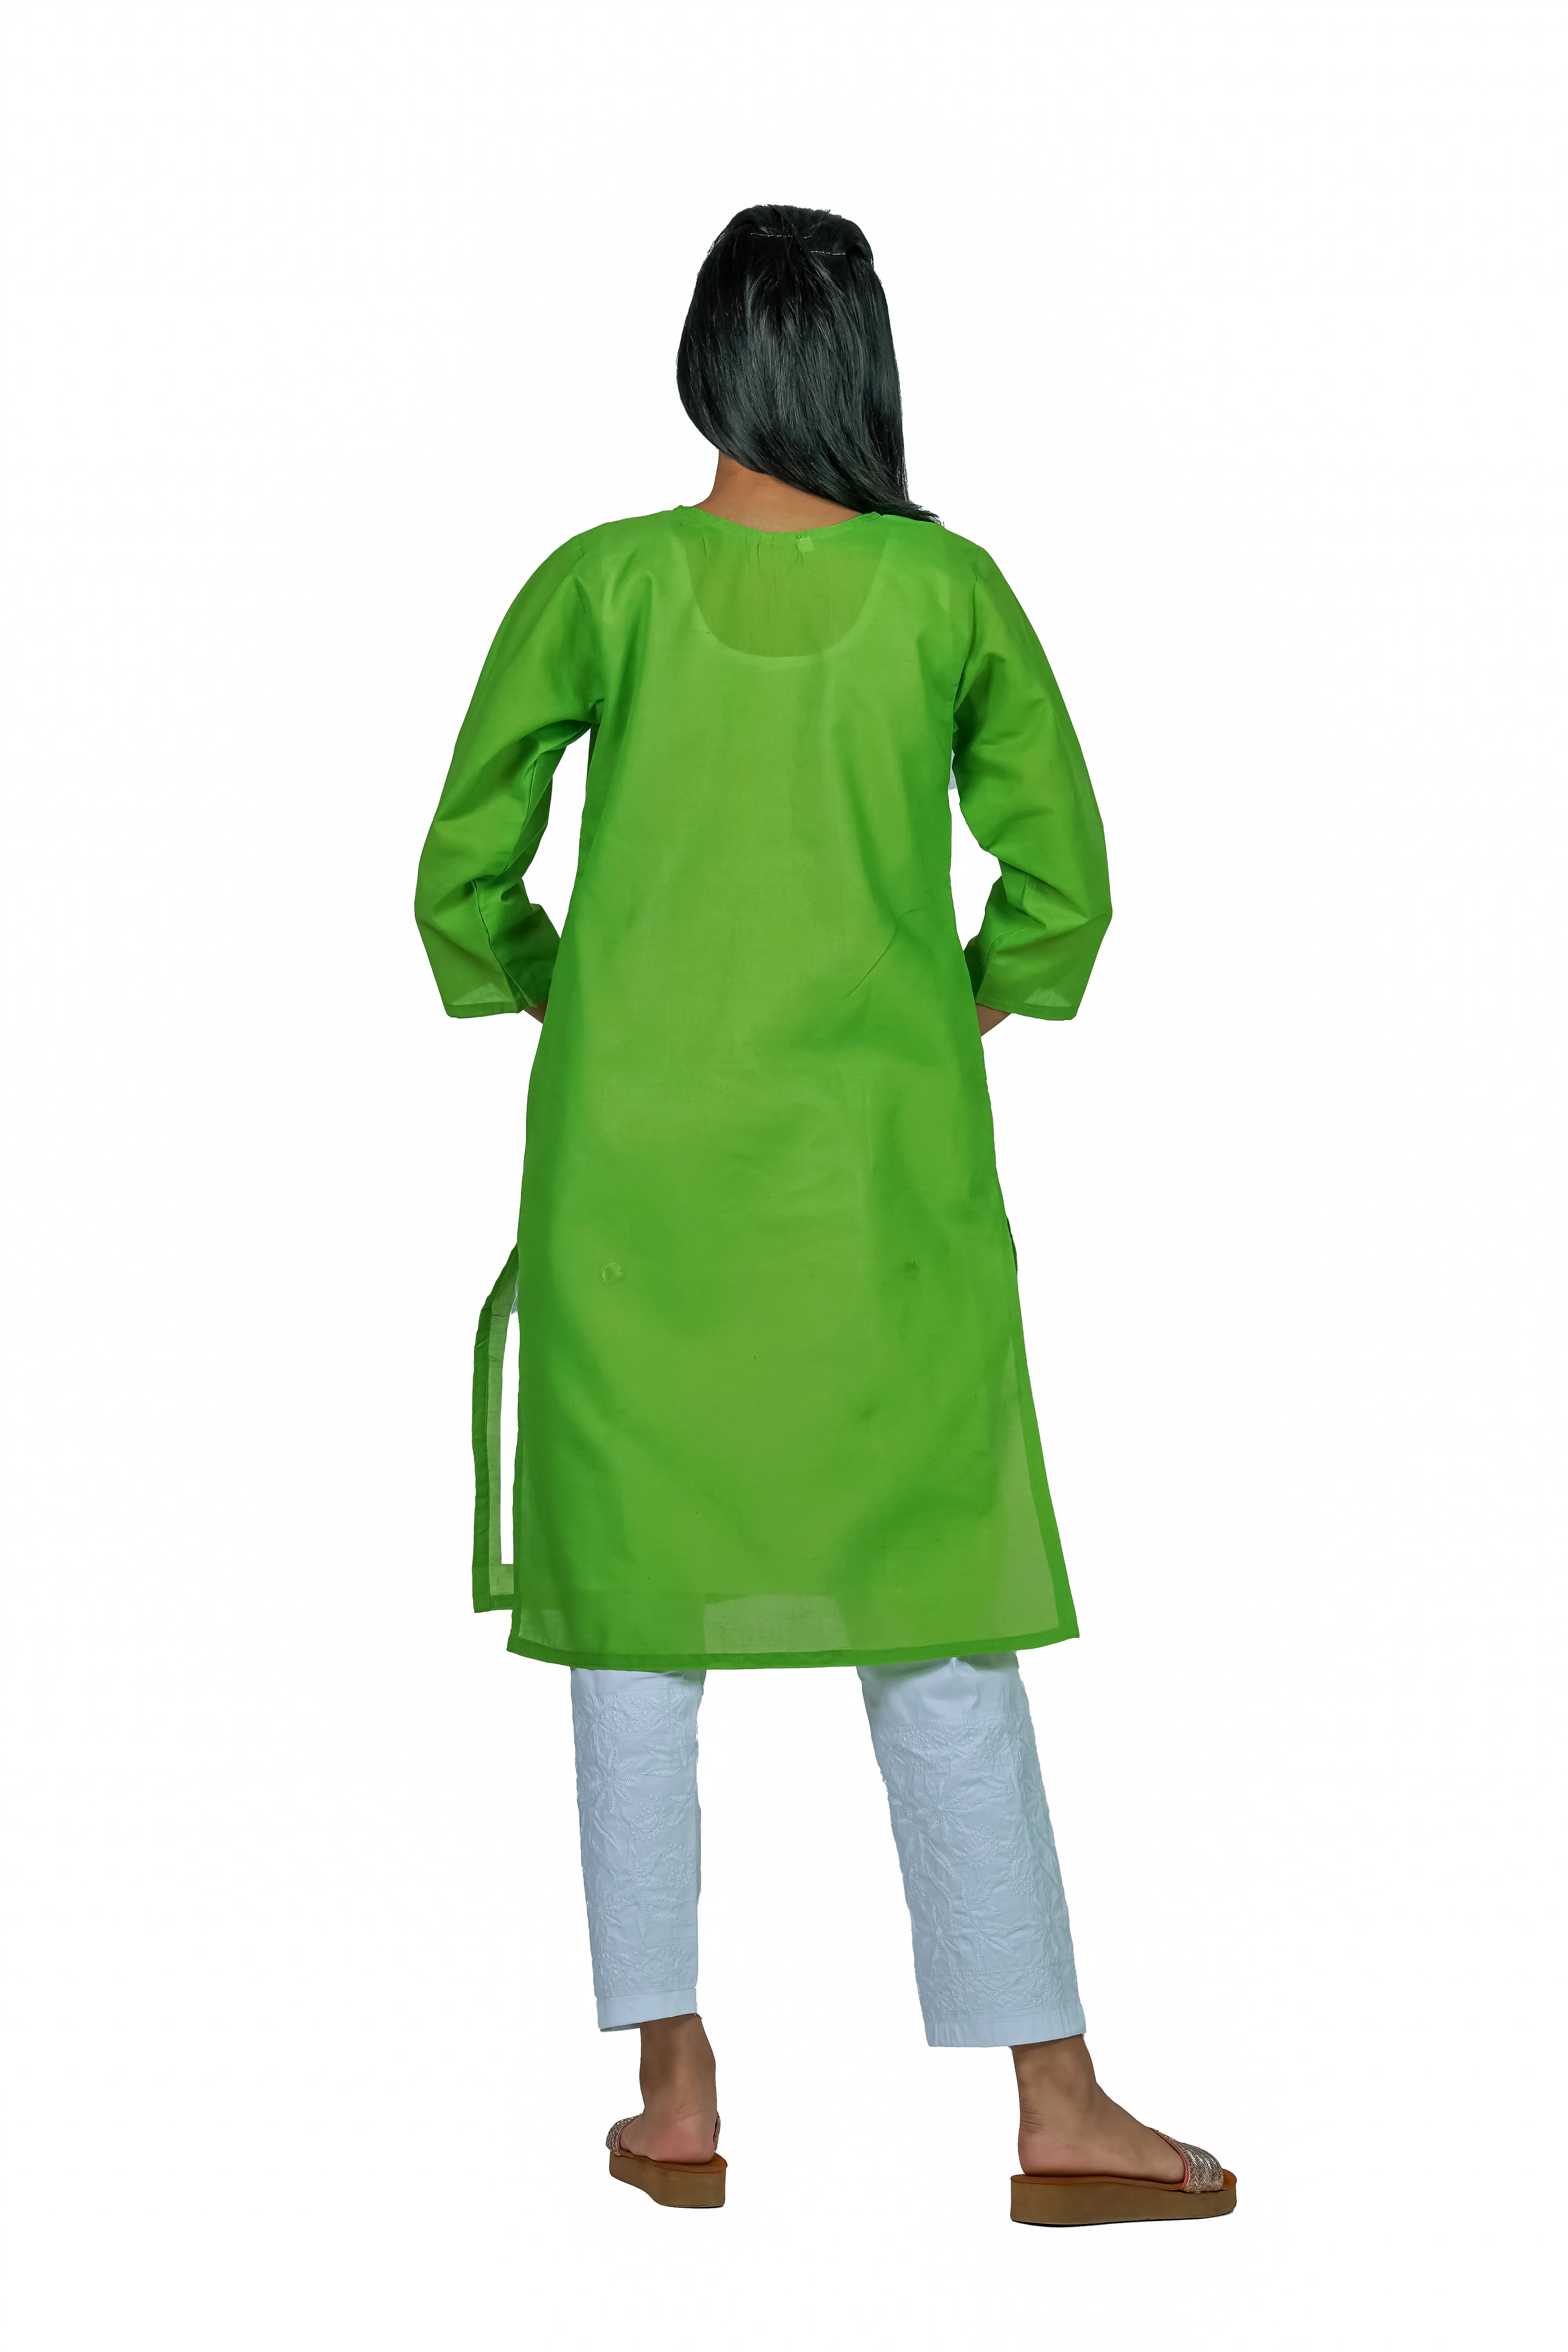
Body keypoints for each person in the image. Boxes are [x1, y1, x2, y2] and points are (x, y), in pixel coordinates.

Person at [414, 203, 1234, 2228]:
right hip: (876, 1181)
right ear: (865, 358)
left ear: (705, 358)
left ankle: (673, 2087)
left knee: (635, 1623)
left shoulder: (601, 583)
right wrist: (973, 997)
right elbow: (1065, 882)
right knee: (937, 1610)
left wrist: (559, 987)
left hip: (635, 1174)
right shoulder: (949, 594)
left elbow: (461, 873)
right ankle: (1057, 2102)